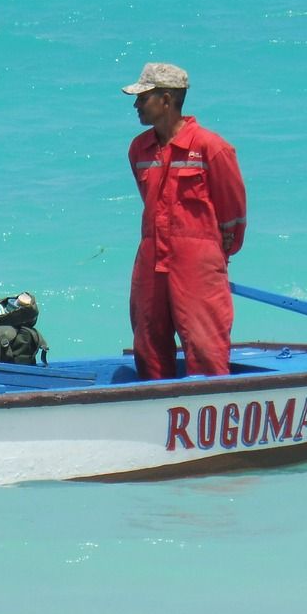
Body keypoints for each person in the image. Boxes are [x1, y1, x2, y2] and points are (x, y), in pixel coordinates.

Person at [122, 62, 246, 379]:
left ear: (166, 99)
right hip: (151, 255)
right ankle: (155, 411)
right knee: (148, 340)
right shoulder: (139, 149)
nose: (136, 104)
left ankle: (210, 414)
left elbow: (233, 213)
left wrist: (213, 254)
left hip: (197, 258)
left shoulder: (212, 148)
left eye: (143, 97)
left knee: (205, 343)